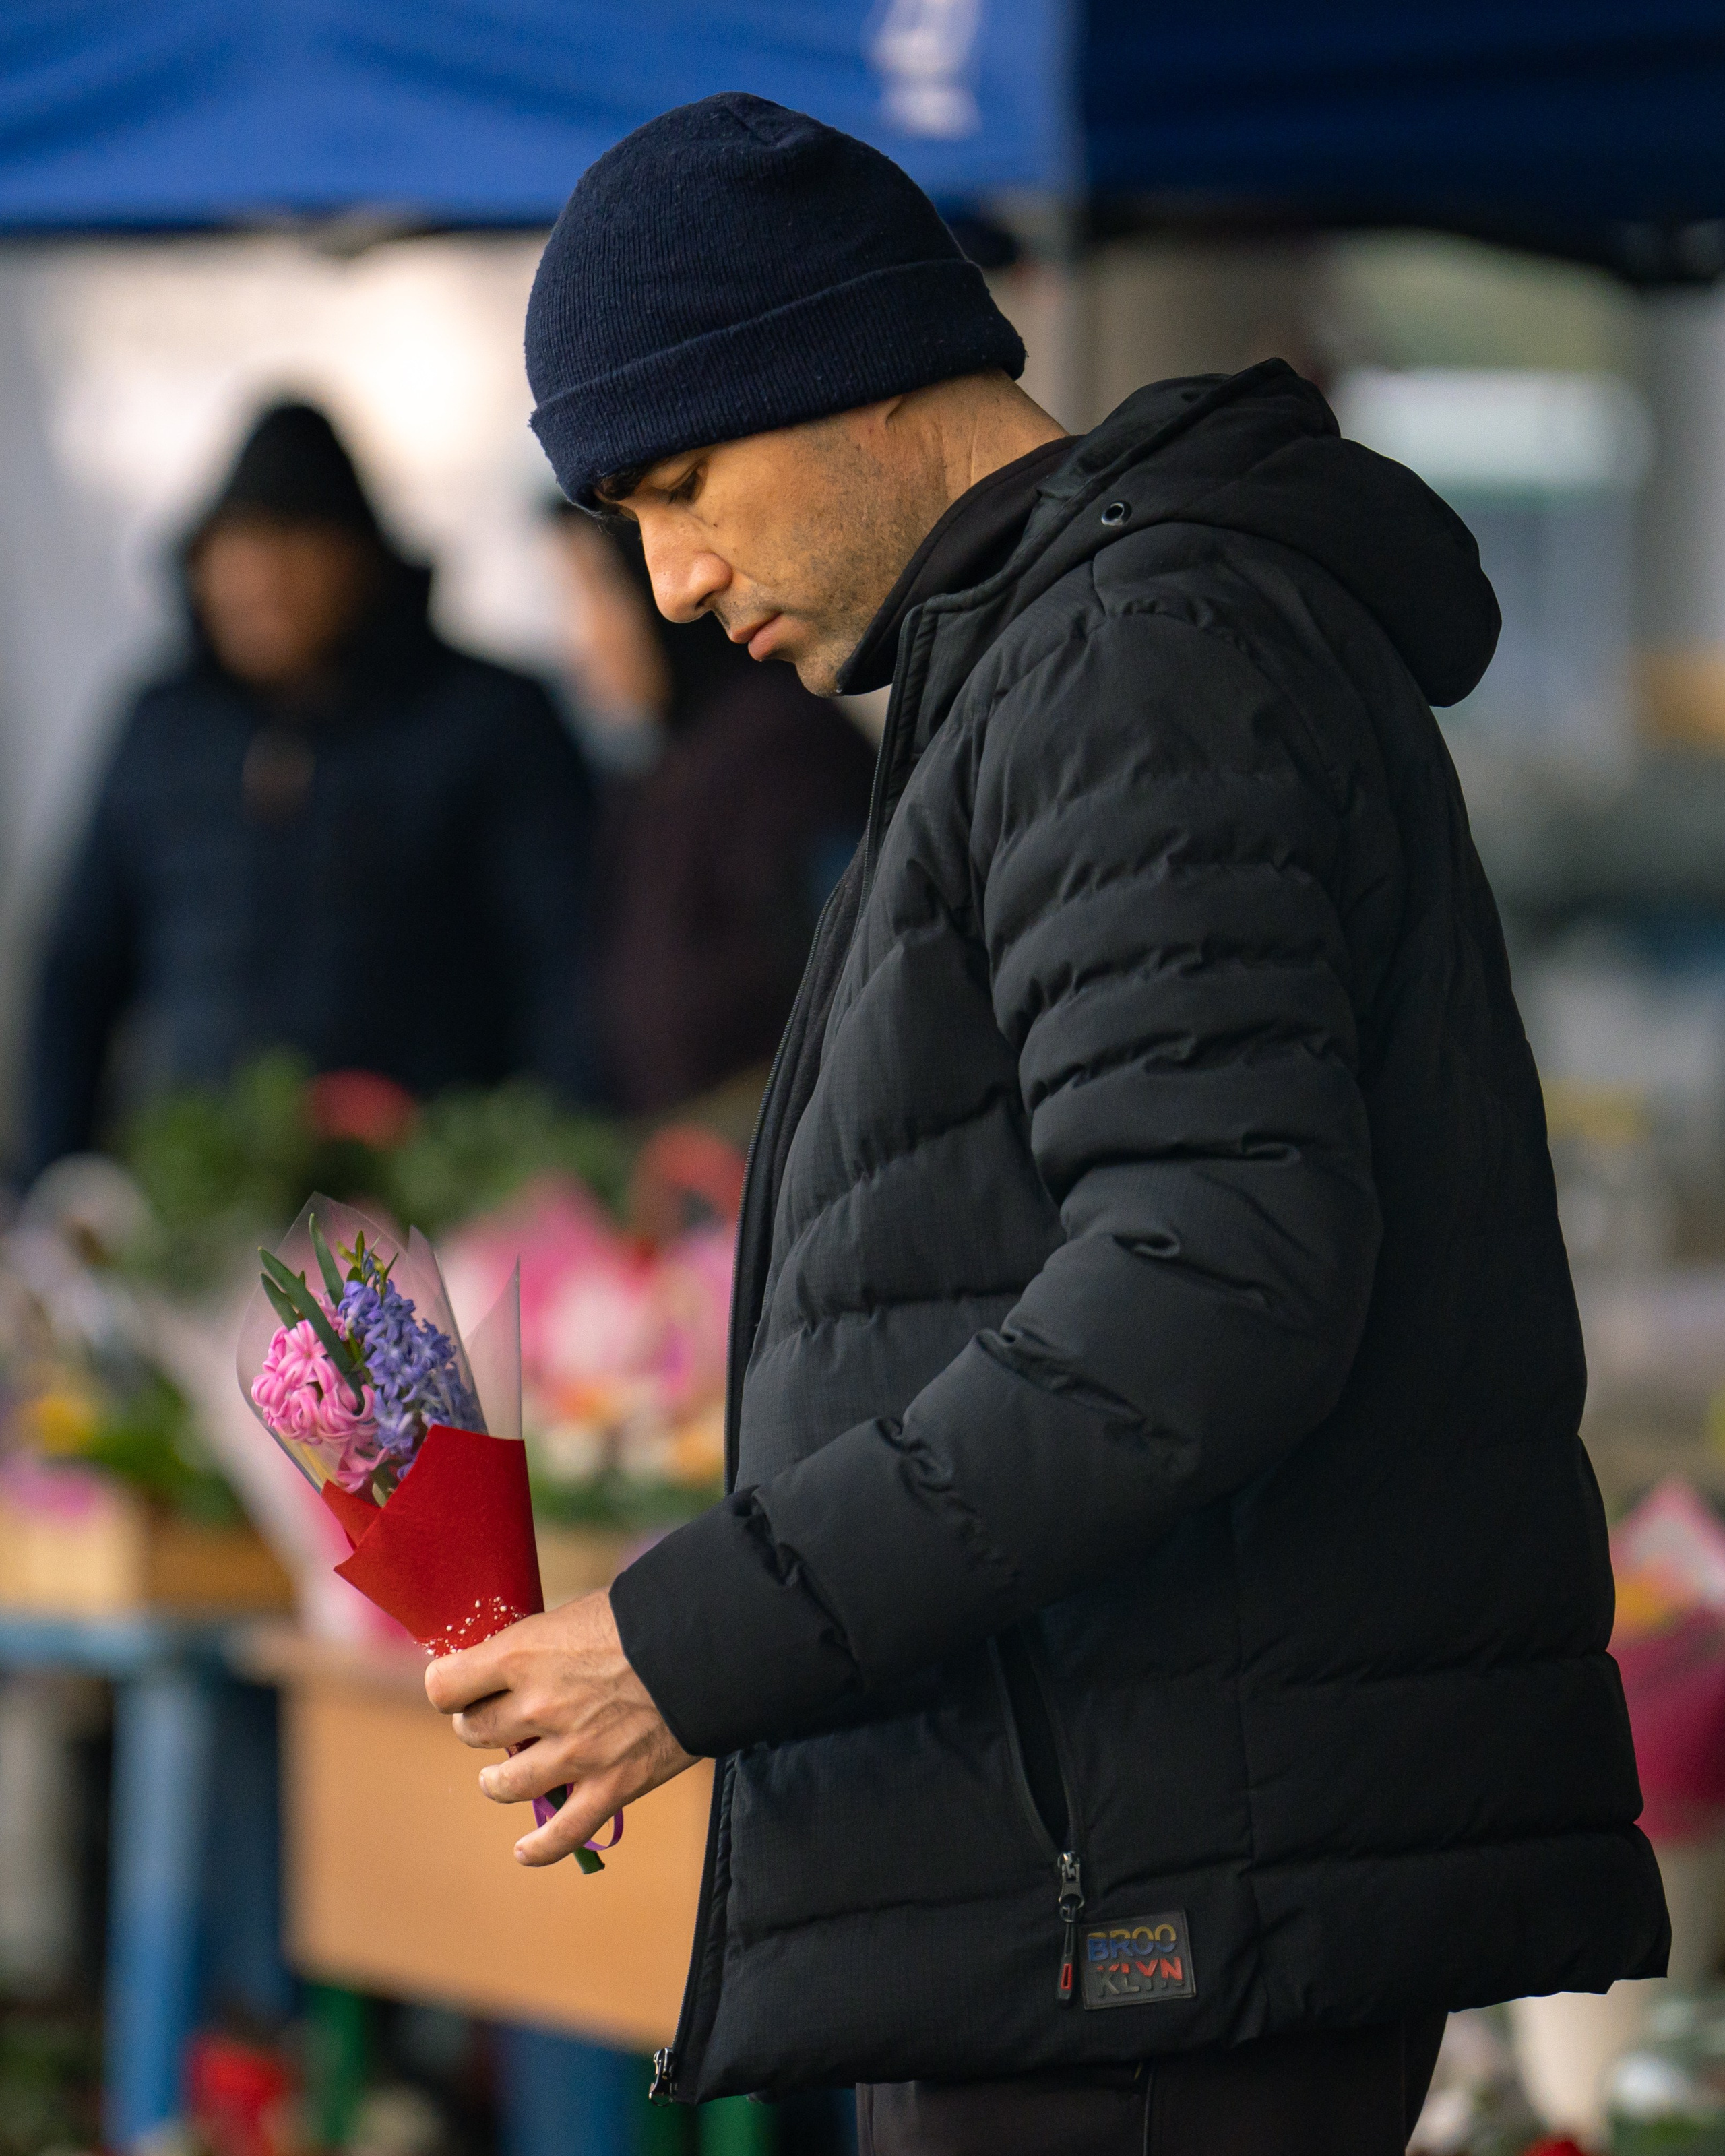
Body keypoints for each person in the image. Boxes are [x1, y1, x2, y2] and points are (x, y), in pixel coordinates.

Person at [425, 96, 1668, 2156]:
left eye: (682, 482)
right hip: (1133, 1860)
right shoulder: (1052, 660)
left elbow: (1207, 1281)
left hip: (1154, 1895)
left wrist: (690, 1641)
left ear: (847, 372)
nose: (669, 576)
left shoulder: (1126, 657)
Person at [20, 401, 605, 1183]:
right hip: (202, 1197)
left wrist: (554, 1170)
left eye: (293, 543)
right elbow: (80, 968)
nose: (261, 579)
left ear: (364, 556)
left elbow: (565, 960)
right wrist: (52, 1182)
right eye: (236, 549)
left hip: (435, 1189)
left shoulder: (487, 719)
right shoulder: (162, 728)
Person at [547, 503, 875, 1111]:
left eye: (596, 593)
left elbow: (856, 1005)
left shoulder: (784, 755)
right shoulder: (660, 773)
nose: (580, 642)